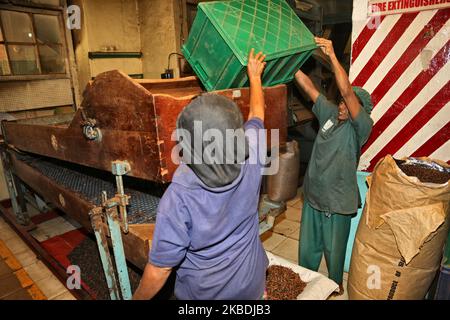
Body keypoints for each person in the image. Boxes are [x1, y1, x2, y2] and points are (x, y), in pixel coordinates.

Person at [133, 49, 269, 300]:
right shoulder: (254, 155)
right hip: (252, 286)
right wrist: (255, 77)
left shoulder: (179, 196)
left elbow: (161, 268)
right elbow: (257, 115)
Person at [295, 37, 374, 295]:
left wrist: (331, 55)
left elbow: (349, 92)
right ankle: (306, 280)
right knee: (308, 249)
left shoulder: (359, 128)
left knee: (334, 250)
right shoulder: (329, 114)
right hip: (313, 196)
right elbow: (308, 88)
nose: (342, 105)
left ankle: (333, 285)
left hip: (337, 202)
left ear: (359, 110)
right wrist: (290, 65)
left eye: (347, 104)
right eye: (340, 101)